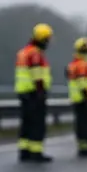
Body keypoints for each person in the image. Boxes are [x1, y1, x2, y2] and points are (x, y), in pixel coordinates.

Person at [14, 23, 54, 162]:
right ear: (43, 39)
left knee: (26, 123)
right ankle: (36, 152)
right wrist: (41, 92)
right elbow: (37, 75)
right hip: (34, 93)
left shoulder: (23, 52)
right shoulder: (35, 54)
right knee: (37, 124)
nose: (48, 43)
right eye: (47, 39)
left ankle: (24, 151)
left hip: (24, 93)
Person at [66, 37, 87, 157]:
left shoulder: (73, 64)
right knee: (86, 124)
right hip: (84, 99)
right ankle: (86, 148)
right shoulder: (82, 65)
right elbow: (83, 83)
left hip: (77, 99)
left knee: (80, 123)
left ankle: (82, 146)